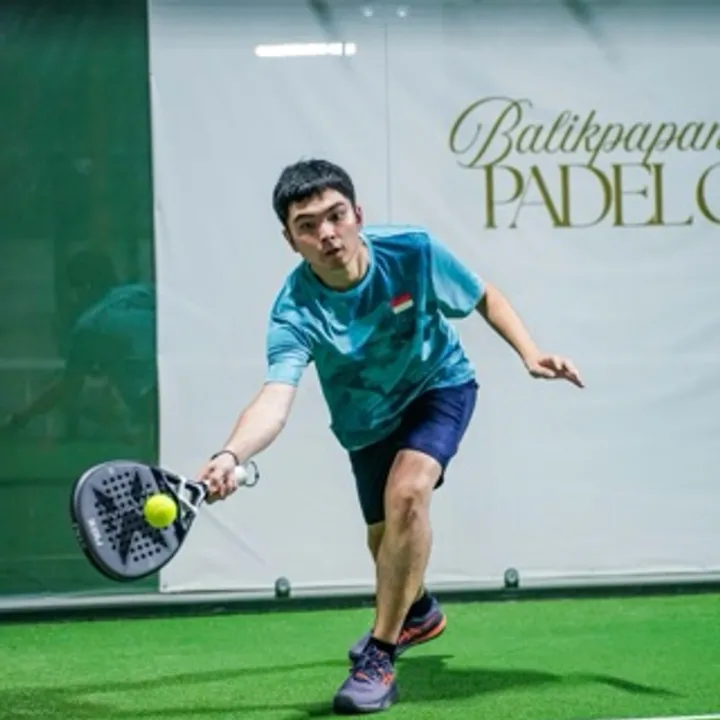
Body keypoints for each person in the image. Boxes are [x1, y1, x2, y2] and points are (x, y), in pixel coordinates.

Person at [197, 158, 583, 714]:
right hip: (365, 421)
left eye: (336, 216)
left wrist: (530, 352)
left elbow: (483, 296)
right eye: (308, 225)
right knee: (385, 544)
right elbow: (275, 398)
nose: (328, 234)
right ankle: (418, 611)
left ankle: (378, 656)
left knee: (408, 494)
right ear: (290, 240)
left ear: (358, 214)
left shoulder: (412, 251)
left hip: (438, 386)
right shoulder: (294, 310)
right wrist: (231, 453)